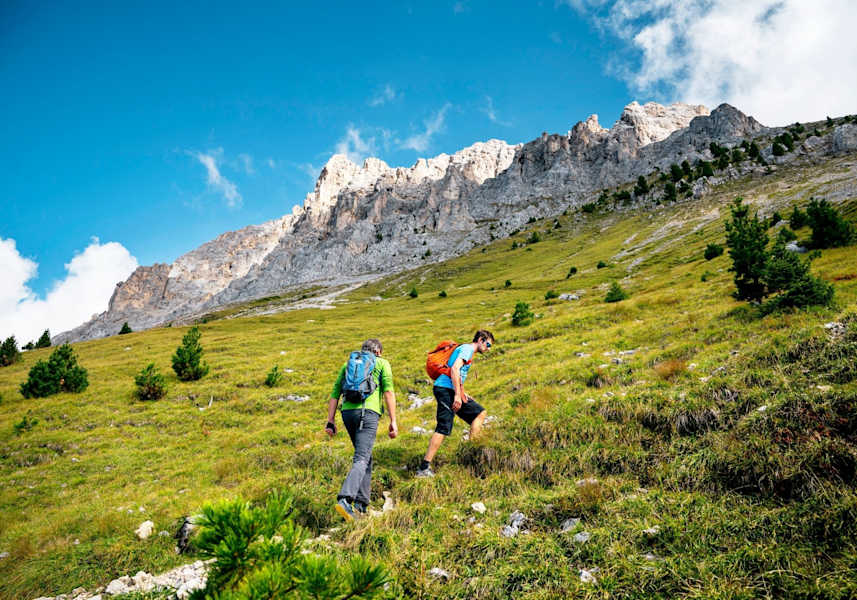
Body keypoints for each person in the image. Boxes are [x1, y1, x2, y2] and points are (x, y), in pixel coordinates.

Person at [325, 338, 398, 521]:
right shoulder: (382, 363)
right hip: (368, 413)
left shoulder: (348, 364)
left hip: (347, 413)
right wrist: (393, 420)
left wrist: (330, 421)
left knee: (365, 456)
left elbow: (335, 393)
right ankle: (345, 499)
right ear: (378, 352)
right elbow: (388, 392)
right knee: (362, 458)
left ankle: (361, 505)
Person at [416, 329, 495, 478]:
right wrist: (457, 395)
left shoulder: (467, 351)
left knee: (479, 413)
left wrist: (462, 392)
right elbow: (454, 369)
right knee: (444, 427)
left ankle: (471, 455)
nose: (488, 349)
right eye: (488, 344)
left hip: (451, 390)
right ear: (480, 340)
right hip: (445, 390)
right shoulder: (467, 349)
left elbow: (459, 375)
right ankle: (423, 468)